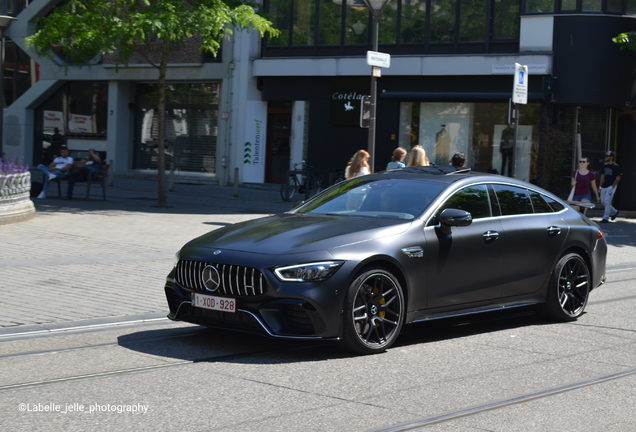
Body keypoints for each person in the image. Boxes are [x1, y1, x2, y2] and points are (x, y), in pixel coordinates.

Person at [599, 151, 621, 223]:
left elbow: (618, 177)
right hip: (605, 185)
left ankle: (605, 217)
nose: (605, 157)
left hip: (611, 186)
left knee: (607, 201)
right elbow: (603, 176)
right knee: (603, 201)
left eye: (607, 156)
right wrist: (600, 186)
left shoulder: (615, 166)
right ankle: (614, 211)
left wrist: (613, 186)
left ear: (611, 157)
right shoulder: (605, 165)